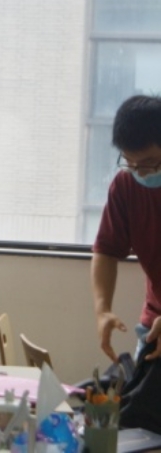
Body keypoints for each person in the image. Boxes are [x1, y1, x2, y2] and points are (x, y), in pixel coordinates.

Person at [91, 94, 161, 364]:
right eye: (130, 162)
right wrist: (102, 310)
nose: (140, 172)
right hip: (153, 326)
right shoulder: (125, 185)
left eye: (149, 162)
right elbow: (106, 251)